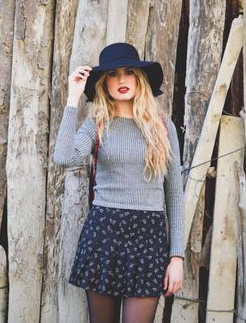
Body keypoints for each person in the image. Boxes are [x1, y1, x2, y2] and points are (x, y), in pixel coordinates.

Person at [54, 42, 185, 323]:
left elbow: (174, 194)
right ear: (104, 82)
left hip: (149, 238)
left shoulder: (163, 127)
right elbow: (64, 157)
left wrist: (176, 257)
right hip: (105, 234)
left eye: (129, 71)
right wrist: (73, 98)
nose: (122, 79)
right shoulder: (97, 125)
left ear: (140, 77)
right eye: (113, 73)